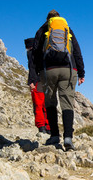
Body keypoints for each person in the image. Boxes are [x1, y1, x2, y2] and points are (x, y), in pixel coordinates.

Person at [32, 10, 85, 150]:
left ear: (47, 19)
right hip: (69, 69)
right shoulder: (67, 29)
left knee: (50, 102)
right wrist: (81, 72)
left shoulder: (42, 30)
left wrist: (37, 73)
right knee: (67, 103)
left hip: (49, 70)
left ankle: (55, 135)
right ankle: (68, 137)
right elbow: (77, 51)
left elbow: (35, 53)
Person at [24, 38, 51, 134]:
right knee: (45, 104)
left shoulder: (31, 54)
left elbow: (32, 68)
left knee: (38, 104)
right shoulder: (43, 52)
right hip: (46, 80)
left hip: (36, 81)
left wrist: (31, 81)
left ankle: (41, 126)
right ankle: (48, 127)